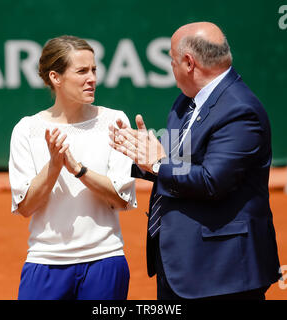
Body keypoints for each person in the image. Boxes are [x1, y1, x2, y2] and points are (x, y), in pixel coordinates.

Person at [109, 22, 281, 300]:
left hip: (223, 275)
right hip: (179, 266)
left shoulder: (240, 110)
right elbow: (177, 167)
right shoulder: (184, 104)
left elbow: (212, 181)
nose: (171, 67)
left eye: (172, 60)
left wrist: (157, 163)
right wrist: (139, 161)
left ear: (189, 63)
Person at [8, 35, 137, 300]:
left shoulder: (116, 121)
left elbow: (121, 200)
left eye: (94, 70)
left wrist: (78, 169)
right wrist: (54, 166)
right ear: (56, 77)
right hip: (45, 262)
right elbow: (25, 207)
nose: (92, 78)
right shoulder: (26, 130)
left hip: (105, 261)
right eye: (82, 71)